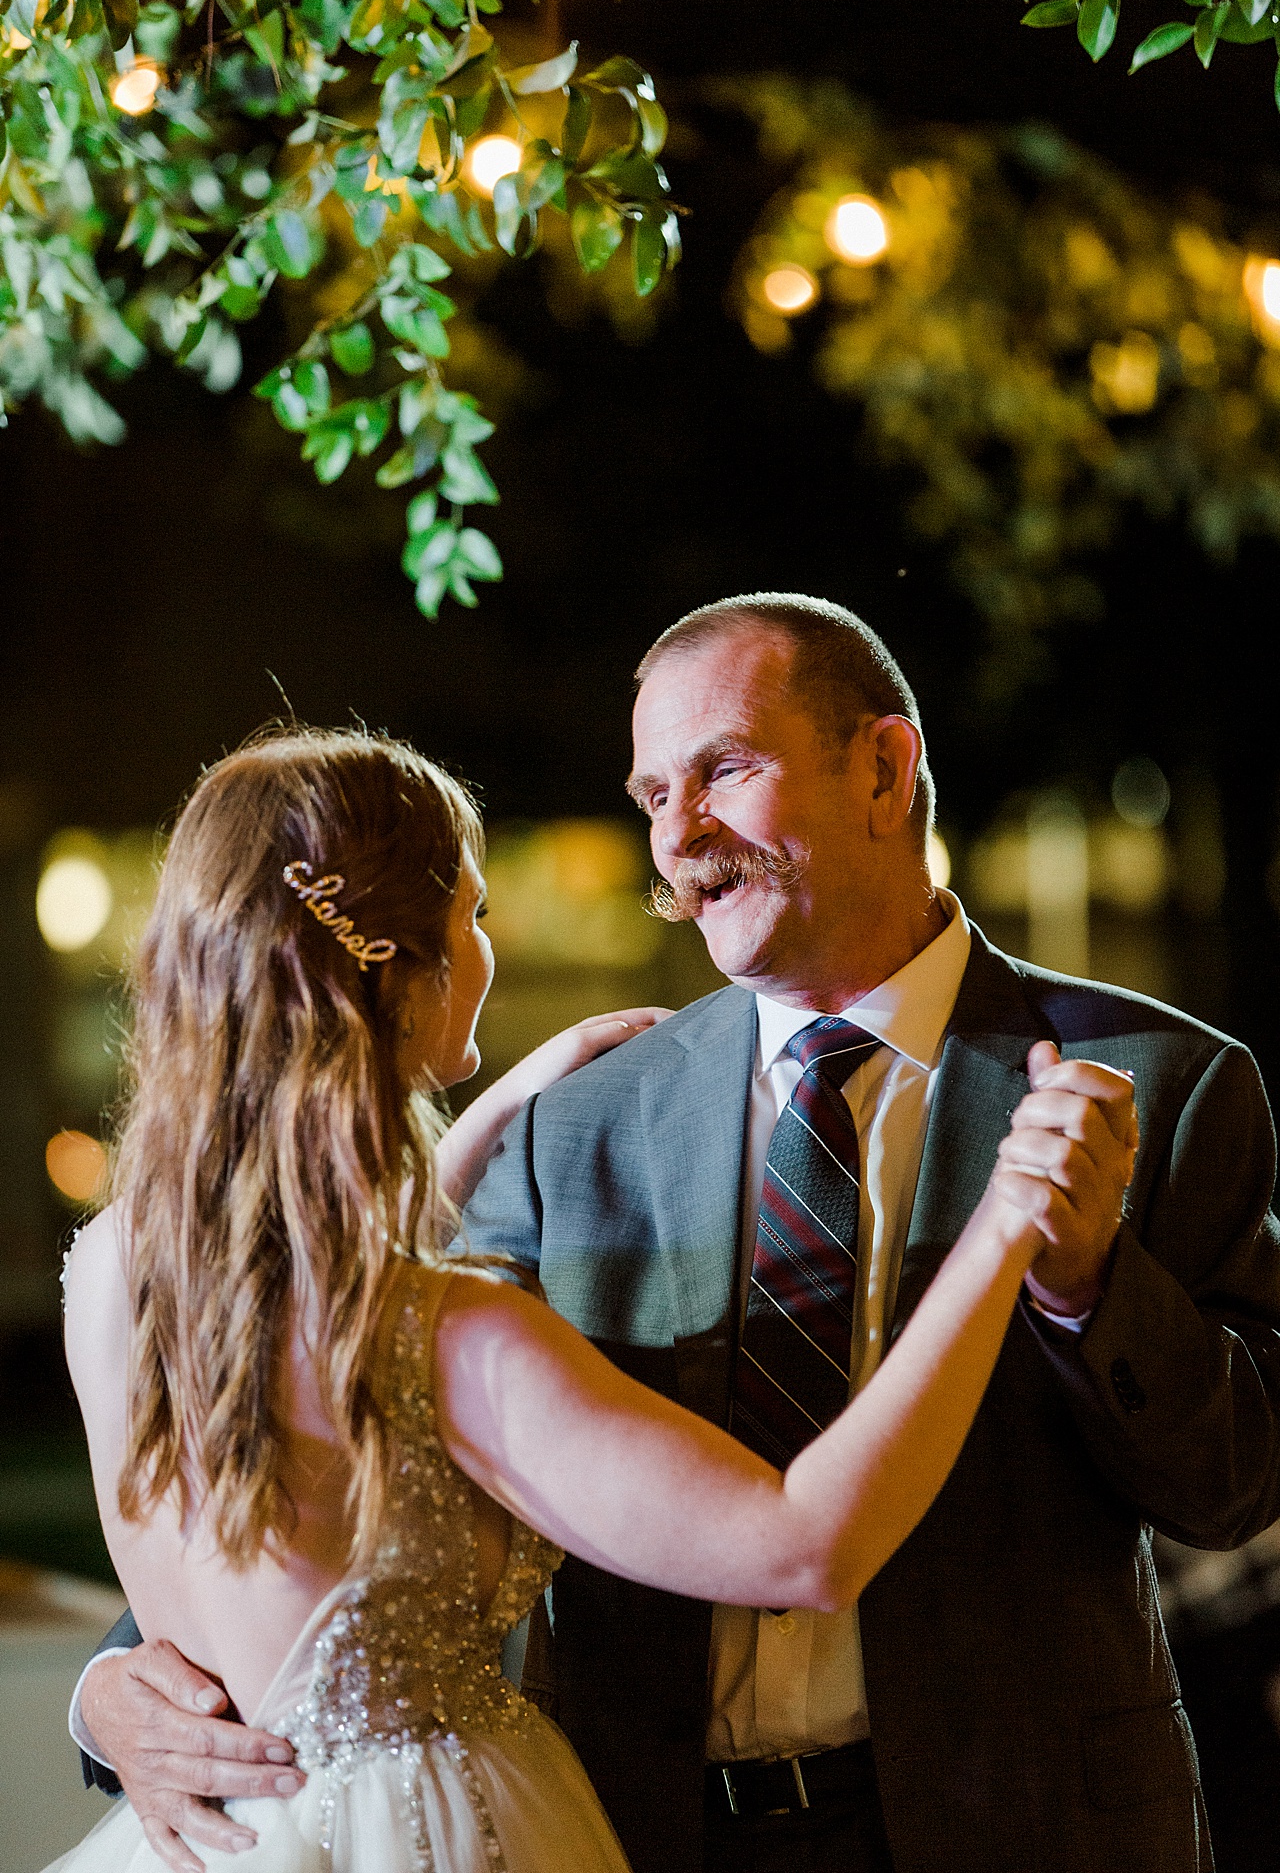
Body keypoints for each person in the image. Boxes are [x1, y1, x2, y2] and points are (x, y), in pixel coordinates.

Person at [56, 720, 1135, 1873]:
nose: (488, 945)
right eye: (470, 914)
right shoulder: (437, 1332)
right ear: (404, 976)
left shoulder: (118, 1265)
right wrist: (1001, 1224)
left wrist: (471, 1133)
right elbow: (800, 1541)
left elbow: (289, 1372)